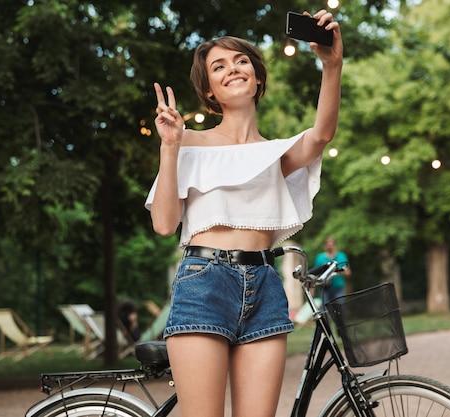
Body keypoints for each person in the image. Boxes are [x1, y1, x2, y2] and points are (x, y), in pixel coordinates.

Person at [145, 9, 342, 417]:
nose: (232, 69)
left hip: (265, 286)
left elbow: (322, 134)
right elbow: (164, 224)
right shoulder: (188, 142)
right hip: (203, 285)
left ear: (257, 77)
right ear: (210, 91)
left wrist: (331, 63)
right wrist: (169, 148)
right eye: (219, 66)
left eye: (241, 61)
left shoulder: (273, 154)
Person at [313, 236, 351, 306]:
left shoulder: (341, 256)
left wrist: (340, 271)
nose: (330, 246)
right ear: (325, 245)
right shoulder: (320, 258)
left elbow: (348, 272)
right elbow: (315, 274)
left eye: (332, 244)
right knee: (324, 309)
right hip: (324, 288)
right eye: (328, 244)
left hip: (338, 287)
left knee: (340, 307)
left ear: (335, 245)